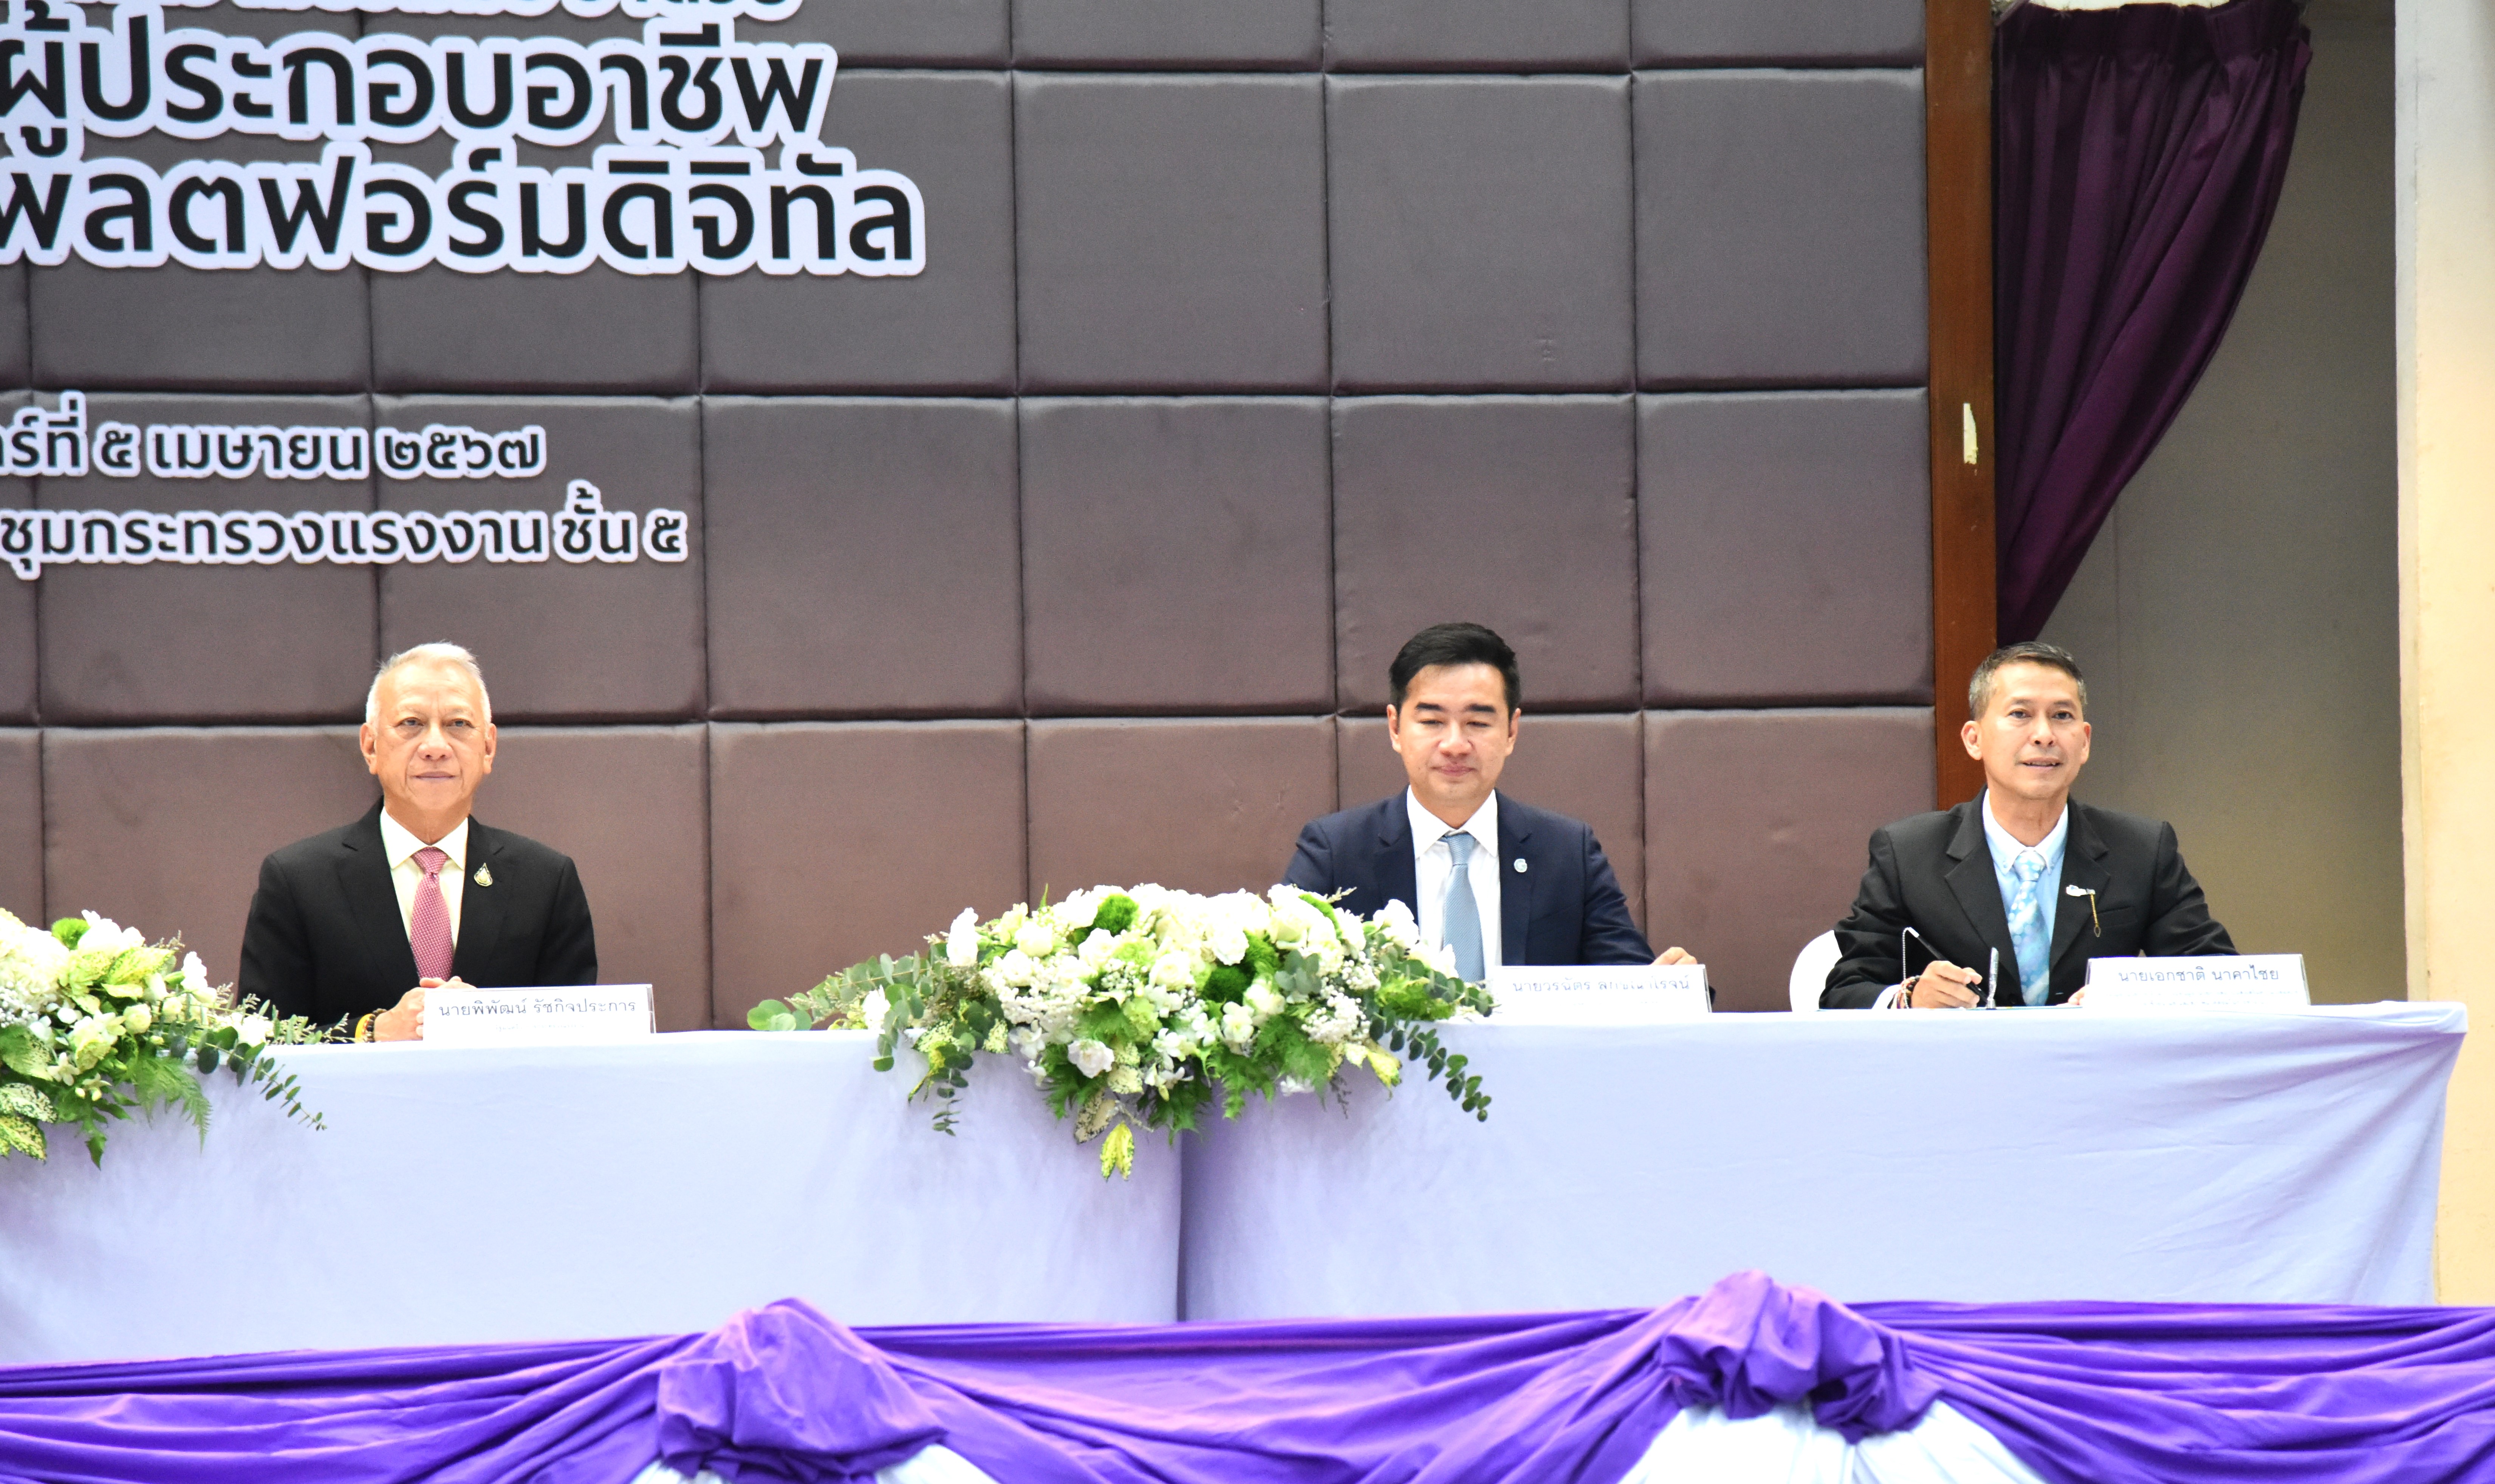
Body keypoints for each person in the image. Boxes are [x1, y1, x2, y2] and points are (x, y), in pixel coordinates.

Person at [1822, 641, 2233, 1009]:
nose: (2044, 735)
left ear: (2084, 741)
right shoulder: (1907, 853)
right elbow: (1844, 992)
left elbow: (2217, 976)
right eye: (2020, 714)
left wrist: (2131, 996)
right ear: (1973, 739)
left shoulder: (2142, 849)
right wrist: (1910, 999)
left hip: (2092, 1065)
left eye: (2062, 716)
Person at [1283, 622, 1689, 974]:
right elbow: (1276, 980)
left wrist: (1673, 986)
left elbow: (1632, 984)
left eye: (1477, 723)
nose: (1455, 745)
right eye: (1432, 721)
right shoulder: (1336, 852)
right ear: (1395, 728)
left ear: (1511, 731)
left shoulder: (1568, 853)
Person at [238, 643, 596, 1039]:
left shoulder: (545, 881)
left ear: (488, 748)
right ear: (371, 746)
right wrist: (373, 1030)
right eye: (411, 723)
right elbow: (258, 1043)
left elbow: (577, 1040)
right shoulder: (298, 881)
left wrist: (492, 1022)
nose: (435, 748)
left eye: (458, 724)